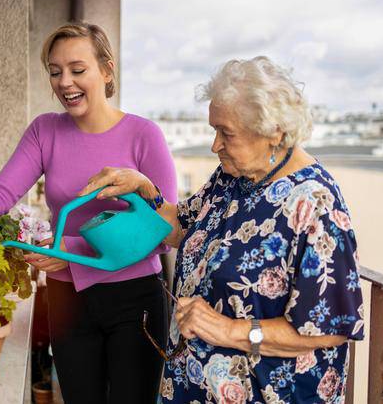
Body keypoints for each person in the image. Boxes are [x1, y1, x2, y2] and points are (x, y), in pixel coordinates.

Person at [79, 56, 364, 403]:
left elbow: (330, 330)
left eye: (226, 133)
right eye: (215, 130)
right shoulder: (234, 176)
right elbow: (181, 228)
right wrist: (144, 188)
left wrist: (230, 330)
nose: (215, 145)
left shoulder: (316, 205)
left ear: (273, 132)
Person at [0, 22, 176, 404]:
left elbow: (163, 231)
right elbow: (1, 191)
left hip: (134, 300)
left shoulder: (144, 135)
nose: (65, 82)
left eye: (77, 70)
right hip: (68, 298)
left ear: (107, 70)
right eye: (54, 71)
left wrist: (69, 248)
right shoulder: (44, 130)